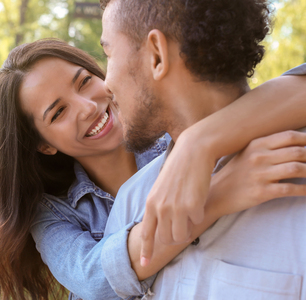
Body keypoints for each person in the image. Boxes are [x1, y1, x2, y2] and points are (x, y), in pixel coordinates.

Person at [0, 37, 306, 300]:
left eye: (84, 81)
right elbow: (94, 281)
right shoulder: (52, 212)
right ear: (44, 145)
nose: (88, 107)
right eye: (58, 112)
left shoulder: (178, 134)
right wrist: (216, 196)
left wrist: (199, 143)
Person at [98, 0, 306, 298]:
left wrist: (200, 142)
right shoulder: (131, 202)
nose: (105, 84)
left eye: (108, 53)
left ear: (156, 55)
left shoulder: (296, 166)